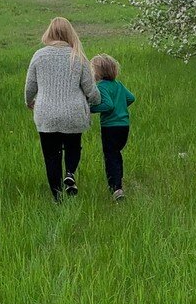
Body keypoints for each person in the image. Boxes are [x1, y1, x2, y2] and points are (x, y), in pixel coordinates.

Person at [24, 17, 100, 201]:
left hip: (46, 113)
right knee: (73, 146)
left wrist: (29, 102)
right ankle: (70, 173)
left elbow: (30, 87)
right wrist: (96, 100)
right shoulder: (78, 56)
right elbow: (90, 89)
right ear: (69, 33)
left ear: (49, 33)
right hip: (73, 114)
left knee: (51, 155)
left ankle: (57, 197)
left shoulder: (39, 55)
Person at [89, 53, 135, 201]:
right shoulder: (118, 84)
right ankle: (119, 181)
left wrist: (90, 108)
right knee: (117, 153)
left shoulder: (101, 86)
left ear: (97, 72)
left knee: (110, 156)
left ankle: (116, 187)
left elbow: (107, 105)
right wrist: (121, 109)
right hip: (124, 125)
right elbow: (131, 98)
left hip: (110, 127)